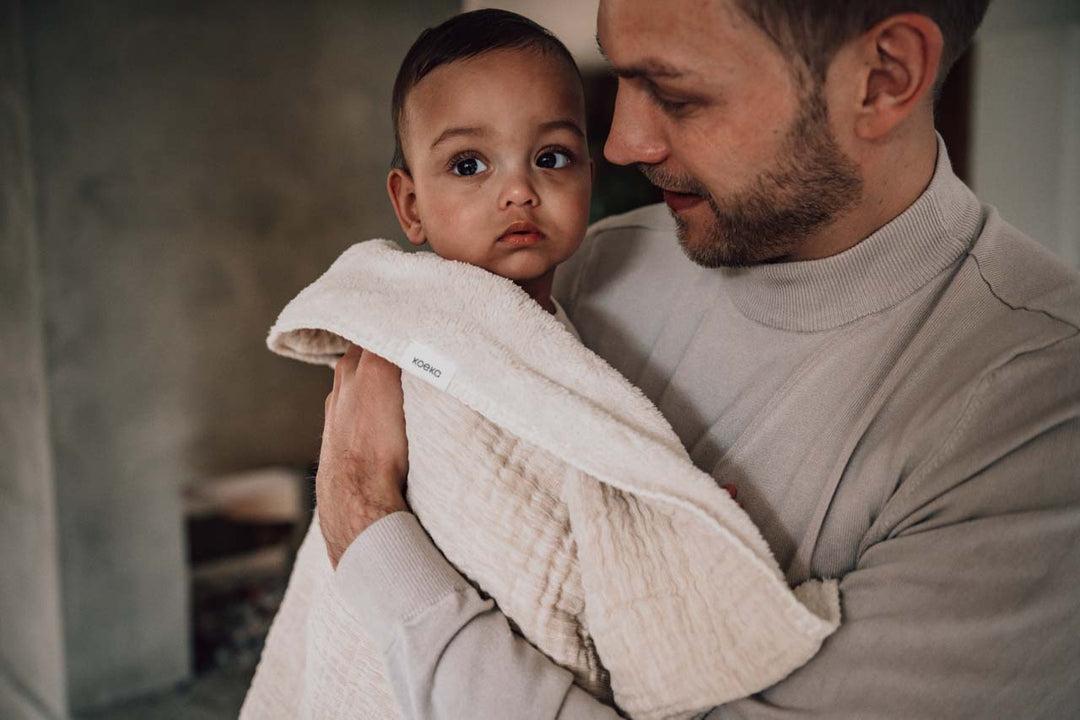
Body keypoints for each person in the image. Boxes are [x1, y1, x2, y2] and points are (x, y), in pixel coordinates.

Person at [317, 1, 1080, 718]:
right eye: (618, 75)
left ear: (883, 79)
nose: (618, 144)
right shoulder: (586, 269)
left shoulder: (1037, 411)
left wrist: (370, 537)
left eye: (676, 95)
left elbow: (376, 520)